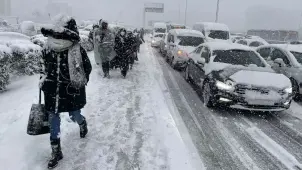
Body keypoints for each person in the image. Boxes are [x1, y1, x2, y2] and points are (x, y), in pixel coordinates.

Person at [40, 14, 92, 169]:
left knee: (74, 115)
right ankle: (56, 151)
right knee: (53, 118)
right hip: (52, 91)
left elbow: (86, 68)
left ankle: (82, 123)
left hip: (71, 91)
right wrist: (44, 80)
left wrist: (76, 80)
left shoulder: (76, 50)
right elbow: (42, 68)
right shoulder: (47, 48)